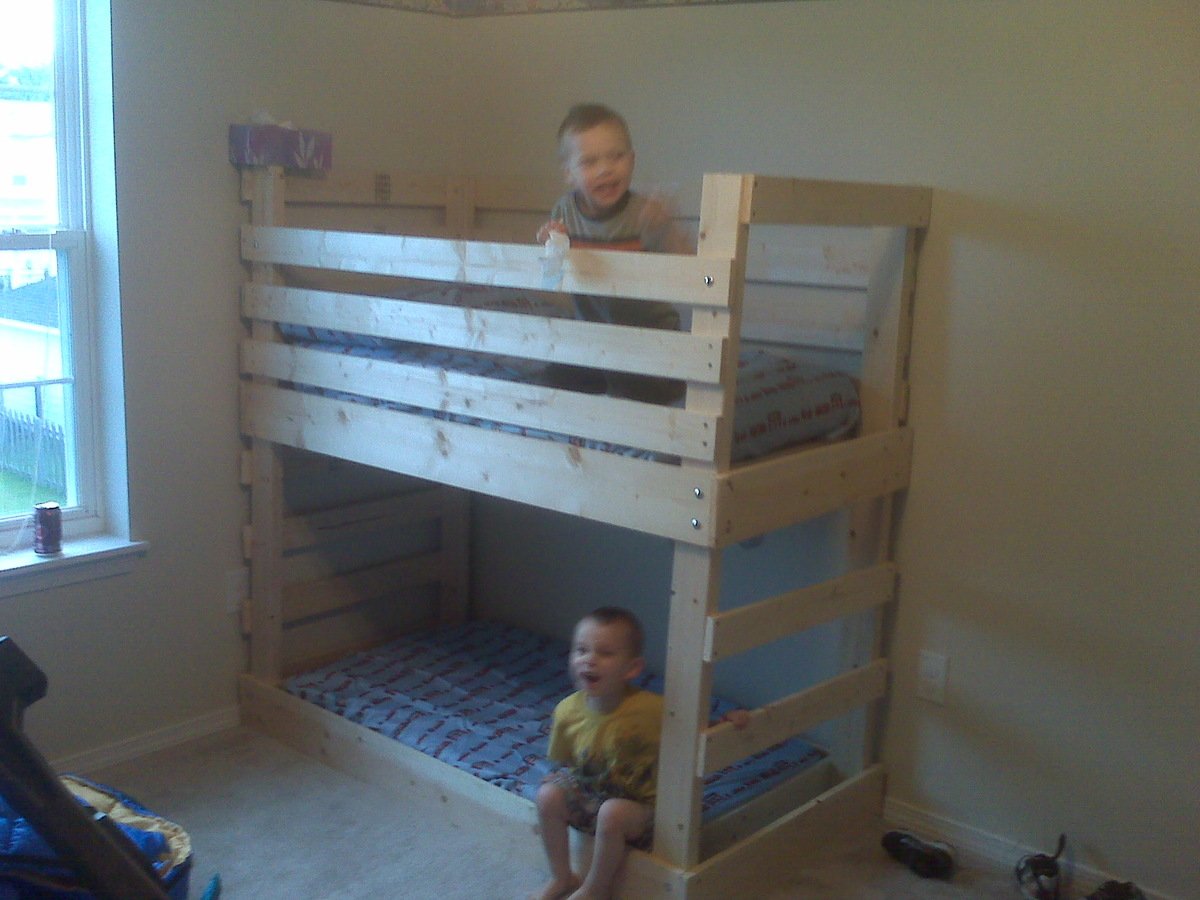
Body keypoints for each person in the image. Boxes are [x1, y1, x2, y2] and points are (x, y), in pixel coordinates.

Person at [532, 607, 748, 900]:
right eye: (581, 650)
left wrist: (727, 722)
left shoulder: (650, 709)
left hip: (641, 809)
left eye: (605, 653)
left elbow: (692, 731)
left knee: (612, 812)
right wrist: (565, 794)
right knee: (547, 794)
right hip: (592, 795)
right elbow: (566, 764)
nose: (589, 660)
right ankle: (562, 876)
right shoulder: (567, 712)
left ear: (632, 669)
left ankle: (596, 889)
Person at [537, 103, 690, 403]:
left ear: (632, 161)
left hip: (649, 337)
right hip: (594, 339)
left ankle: (659, 391)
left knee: (637, 390)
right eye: (590, 162)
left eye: (616, 156)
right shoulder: (564, 213)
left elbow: (700, 277)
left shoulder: (643, 213)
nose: (605, 169)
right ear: (569, 174)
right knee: (555, 379)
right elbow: (551, 280)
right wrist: (552, 246)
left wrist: (665, 232)